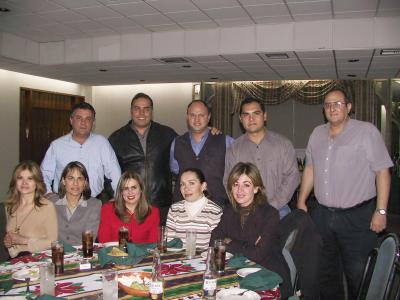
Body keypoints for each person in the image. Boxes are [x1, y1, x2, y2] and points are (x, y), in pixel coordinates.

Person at [297, 89, 393, 300]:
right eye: (328, 104)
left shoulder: (366, 132)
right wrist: (302, 200)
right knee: (326, 272)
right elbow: (310, 169)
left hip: (357, 217)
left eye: (338, 103)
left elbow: (382, 171)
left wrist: (381, 210)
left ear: (349, 107)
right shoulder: (317, 133)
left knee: (358, 273)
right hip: (322, 215)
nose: (332, 108)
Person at [210, 162, 291, 298]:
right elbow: (214, 241)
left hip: (268, 276)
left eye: (246, 185)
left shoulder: (270, 214)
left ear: (256, 188)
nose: (239, 190)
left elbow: (259, 254)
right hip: (238, 274)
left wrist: (229, 241)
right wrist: (249, 246)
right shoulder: (229, 211)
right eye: (236, 184)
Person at [224, 97, 300, 218]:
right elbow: (228, 181)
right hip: (245, 213)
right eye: (246, 115)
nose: (251, 118)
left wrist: (272, 205)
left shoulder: (283, 145)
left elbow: (292, 177)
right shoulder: (234, 148)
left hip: (278, 211)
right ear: (240, 119)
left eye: (256, 113)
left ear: (264, 116)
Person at [109, 93, 177, 225]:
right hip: (130, 206)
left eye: (146, 109)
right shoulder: (117, 138)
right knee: (131, 243)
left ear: (152, 111)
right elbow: (107, 173)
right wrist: (116, 196)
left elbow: (187, 147)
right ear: (131, 111)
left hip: (161, 205)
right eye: (137, 108)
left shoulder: (167, 134)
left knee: (159, 243)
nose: (142, 113)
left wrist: (207, 132)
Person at [41, 102, 121, 198]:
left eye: (88, 119)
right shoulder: (57, 145)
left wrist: (118, 196)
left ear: (93, 122)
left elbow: (114, 172)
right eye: (79, 118)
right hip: (63, 202)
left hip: (94, 202)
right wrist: (48, 193)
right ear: (71, 120)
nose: (83, 122)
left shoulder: (102, 143)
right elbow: (44, 173)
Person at [170, 100, 234, 207]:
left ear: (209, 117)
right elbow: (175, 170)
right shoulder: (177, 142)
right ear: (187, 117)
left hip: (217, 206)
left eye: (201, 115)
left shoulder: (226, 141)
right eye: (192, 115)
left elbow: (235, 173)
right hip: (184, 207)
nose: (197, 119)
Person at [3, 161, 58, 258]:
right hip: (15, 262)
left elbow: (53, 243)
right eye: (20, 178)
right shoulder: (9, 206)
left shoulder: (47, 206)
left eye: (30, 178)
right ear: (15, 181)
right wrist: (9, 243)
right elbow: (12, 245)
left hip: (39, 260)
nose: (24, 182)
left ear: (37, 182)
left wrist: (24, 240)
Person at [98, 170, 160, 244]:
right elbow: (103, 240)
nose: (130, 192)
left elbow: (153, 244)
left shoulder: (153, 212)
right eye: (126, 188)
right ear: (121, 192)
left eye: (134, 187)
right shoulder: (107, 209)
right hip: (114, 254)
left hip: (142, 255)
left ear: (141, 190)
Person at [166, 168, 222, 249]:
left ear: (203, 186)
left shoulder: (215, 211)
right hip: (177, 259)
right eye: (182, 184)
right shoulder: (174, 209)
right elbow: (169, 243)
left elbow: (215, 246)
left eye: (191, 183)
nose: (186, 188)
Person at [49, 161, 102, 245]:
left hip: (81, 254)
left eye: (80, 179)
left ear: (85, 182)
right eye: (71, 178)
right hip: (55, 253)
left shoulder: (95, 205)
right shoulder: (51, 202)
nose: (75, 183)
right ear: (63, 181)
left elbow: (88, 239)